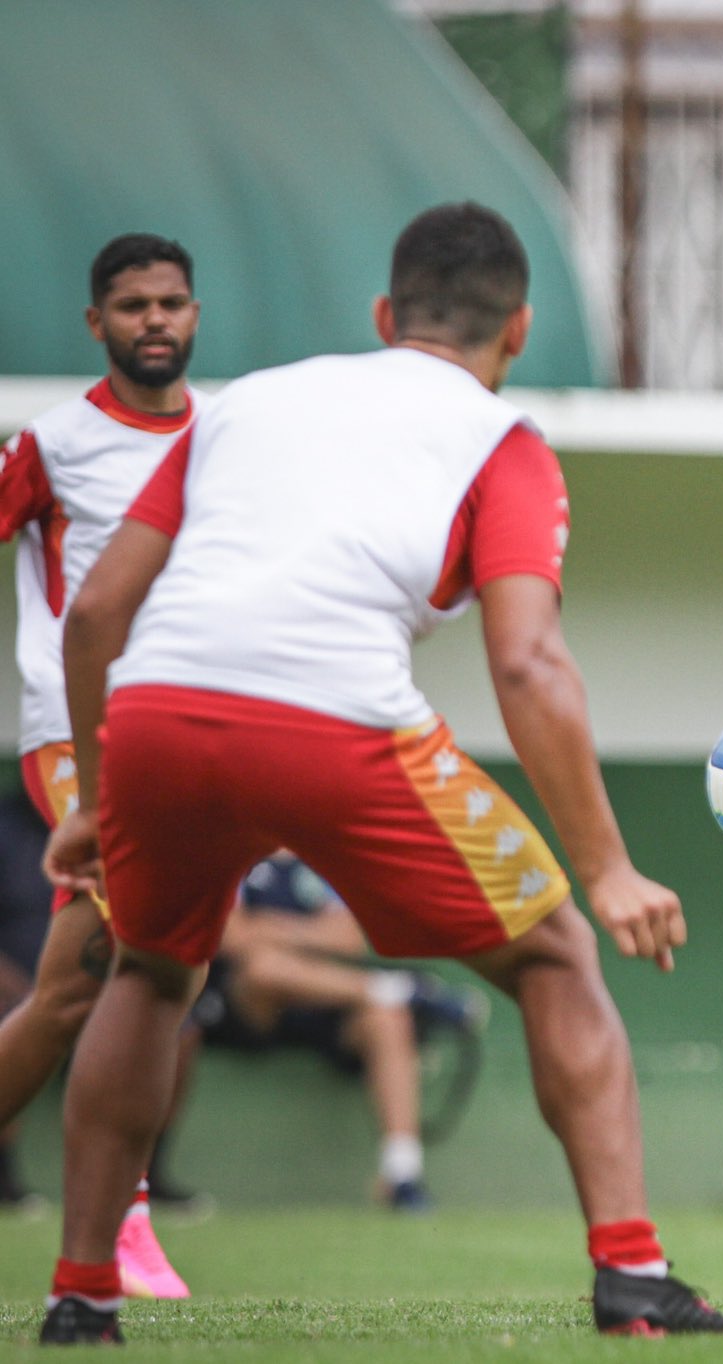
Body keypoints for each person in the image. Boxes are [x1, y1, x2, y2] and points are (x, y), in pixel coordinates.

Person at [36, 202, 723, 1344]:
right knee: (558, 951)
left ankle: (79, 1295)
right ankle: (632, 1276)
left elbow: (97, 613)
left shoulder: (245, 402)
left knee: (151, 976)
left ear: (382, 315)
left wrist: (94, 793)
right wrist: (606, 865)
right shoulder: (500, 441)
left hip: (157, 711)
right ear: (515, 331)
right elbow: (527, 658)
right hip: (334, 722)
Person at [0, 234, 202, 1300]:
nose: (154, 321)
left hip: (187, 737)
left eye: (171, 302)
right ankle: (120, 1218)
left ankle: (116, 1213)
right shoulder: (53, 441)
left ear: (195, 315)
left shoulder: (225, 439)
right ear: (97, 324)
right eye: (132, 306)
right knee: (137, 959)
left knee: (93, 987)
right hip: (74, 738)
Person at [196, 854, 490, 1212]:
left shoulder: (316, 858)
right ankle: (403, 988)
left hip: (325, 999)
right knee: (263, 965)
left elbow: (348, 939)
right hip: (248, 1008)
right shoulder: (235, 853)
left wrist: (268, 930)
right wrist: (308, 934)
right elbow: (231, 936)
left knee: (387, 1018)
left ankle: (402, 1174)